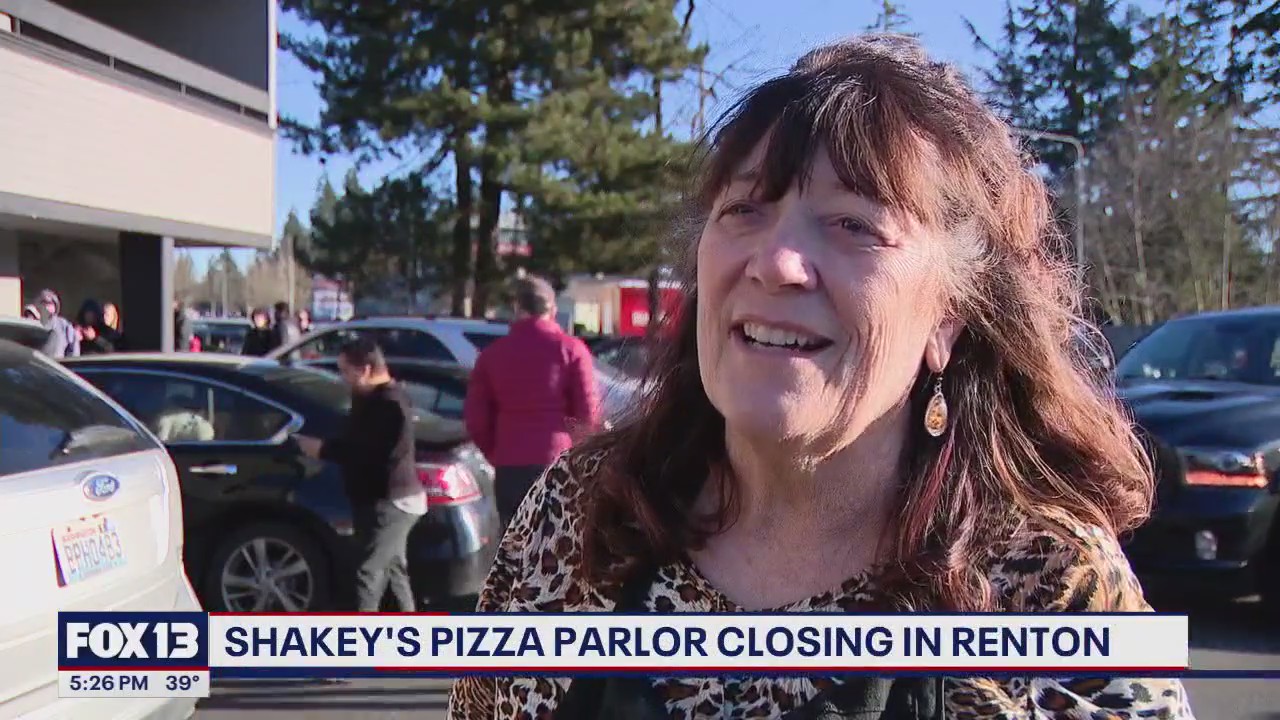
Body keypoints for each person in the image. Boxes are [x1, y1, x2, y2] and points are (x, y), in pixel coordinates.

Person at [448, 35, 1195, 720]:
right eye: (744, 208)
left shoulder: (1048, 586)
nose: (775, 261)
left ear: (949, 320)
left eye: (853, 224)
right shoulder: (578, 519)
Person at [294, 338, 425, 612]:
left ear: (365, 369)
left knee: (367, 573)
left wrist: (323, 450)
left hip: (392, 501)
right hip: (375, 499)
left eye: (346, 371)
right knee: (393, 571)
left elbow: (373, 451)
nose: (343, 378)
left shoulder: (391, 404)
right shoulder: (368, 399)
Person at [463, 276, 600, 529]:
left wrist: (498, 452)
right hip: (558, 461)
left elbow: (476, 420)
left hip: (510, 466)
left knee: (514, 548)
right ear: (553, 310)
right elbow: (588, 414)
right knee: (559, 546)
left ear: (517, 309)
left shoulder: (492, 355)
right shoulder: (571, 349)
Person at [33, 289, 79, 358]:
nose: (46, 307)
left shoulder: (64, 325)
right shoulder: (32, 323)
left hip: (58, 364)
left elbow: (73, 349)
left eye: (50, 303)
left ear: (55, 306)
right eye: (43, 303)